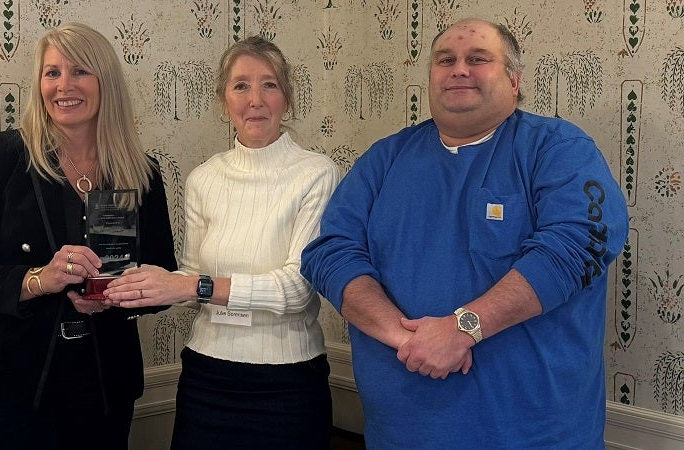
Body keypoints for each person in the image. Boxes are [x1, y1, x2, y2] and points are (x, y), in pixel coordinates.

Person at [300, 18, 629, 449]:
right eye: (445, 60)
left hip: (535, 432)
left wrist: (461, 329)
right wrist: (407, 338)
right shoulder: (386, 158)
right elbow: (330, 253)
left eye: (478, 59)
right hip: (401, 432)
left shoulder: (558, 148)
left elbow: (581, 242)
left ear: (514, 80)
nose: (459, 69)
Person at [0, 22, 177, 450]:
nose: (64, 85)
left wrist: (114, 298)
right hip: (11, 388)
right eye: (52, 73)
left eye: (81, 71)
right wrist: (37, 279)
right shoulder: (2, 156)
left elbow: (161, 277)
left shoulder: (140, 172)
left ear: (106, 83)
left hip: (103, 388)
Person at [103, 36, 340, 450]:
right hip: (207, 378)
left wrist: (190, 285)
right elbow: (191, 283)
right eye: (241, 85)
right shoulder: (204, 178)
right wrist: (130, 285)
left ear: (287, 98)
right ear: (223, 100)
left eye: (269, 84)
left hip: (287, 383)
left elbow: (297, 289)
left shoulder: (316, 173)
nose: (255, 99)